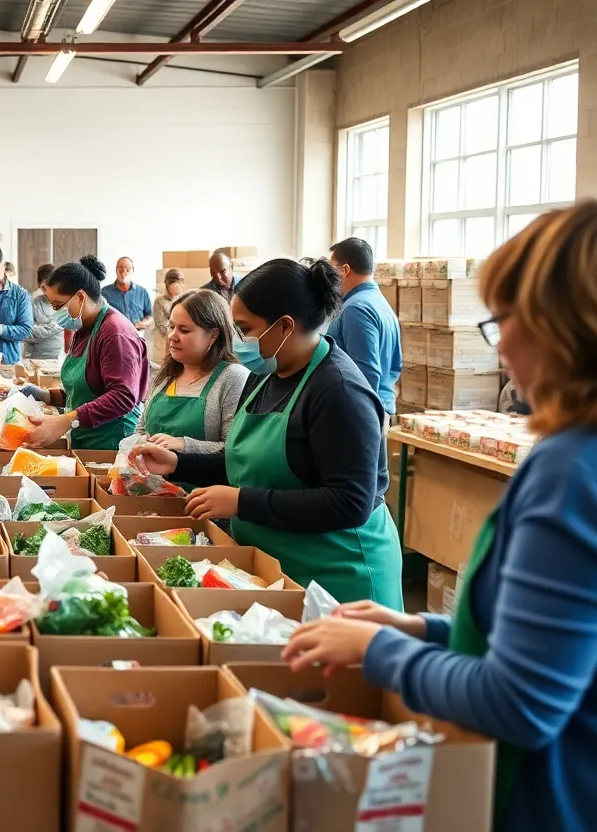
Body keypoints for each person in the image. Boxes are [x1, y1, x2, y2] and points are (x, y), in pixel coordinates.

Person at [281, 204, 597, 831]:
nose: (500, 343)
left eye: (508, 320)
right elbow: (555, 647)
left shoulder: (570, 472)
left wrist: (379, 651)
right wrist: (418, 628)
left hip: (541, 797)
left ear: (567, 329)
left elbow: (521, 701)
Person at [132, 258, 402, 608]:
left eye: (245, 328)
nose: (238, 340)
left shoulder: (339, 393)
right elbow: (244, 458)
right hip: (277, 563)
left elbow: (350, 502)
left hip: (337, 576)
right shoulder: (266, 375)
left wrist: (241, 501)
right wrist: (178, 464)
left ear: (285, 326)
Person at [23, 256, 148, 450]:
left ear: (80, 297)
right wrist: (46, 396)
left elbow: (123, 396)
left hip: (110, 444)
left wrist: (66, 421)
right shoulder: (83, 330)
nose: (55, 312)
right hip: (86, 439)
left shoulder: (115, 333)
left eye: (58, 305)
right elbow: (87, 390)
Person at [136, 289, 249, 458]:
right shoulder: (164, 376)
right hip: (152, 482)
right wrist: (141, 444)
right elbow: (140, 430)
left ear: (213, 335)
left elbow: (235, 449)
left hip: (203, 484)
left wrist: (184, 445)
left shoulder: (232, 378)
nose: (173, 336)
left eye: (184, 330)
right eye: (171, 327)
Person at [327, 237, 401, 424]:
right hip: (377, 408)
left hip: (360, 414)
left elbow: (365, 372)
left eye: (331, 269)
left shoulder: (356, 309)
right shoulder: (379, 303)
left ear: (344, 270)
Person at [101, 256, 153, 333]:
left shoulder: (142, 292)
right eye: (120, 268)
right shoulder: (104, 292)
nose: (124, 271)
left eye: (127, 268)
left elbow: (149, 315)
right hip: (114, 335)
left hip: (137, 334)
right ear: (116, 270)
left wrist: (144, 323)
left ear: (132, 270)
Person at [23, 263, 63, 360]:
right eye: (44, 286)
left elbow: (65, 323)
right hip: (34, 358)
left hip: (58, 358)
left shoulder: (64, 302)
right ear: (40, 285)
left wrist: (40, 328)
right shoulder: (32, 303)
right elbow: (25, 331)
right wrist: (54, 326)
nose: (47, 290)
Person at [149, 268, 186, 363]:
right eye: (174, 283)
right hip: (163, 346)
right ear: (168, 284)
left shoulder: (185, 301)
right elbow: (162, 326)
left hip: (181, 345)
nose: (177, 286)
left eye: (180, 282)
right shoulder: (160, 302)